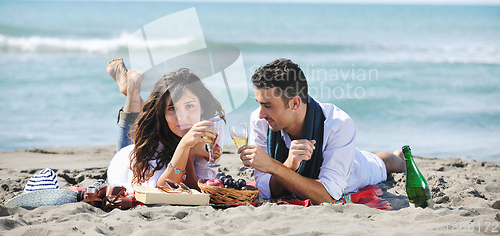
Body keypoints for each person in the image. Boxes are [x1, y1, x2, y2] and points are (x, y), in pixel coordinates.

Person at [238, 58, 405, 205]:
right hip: (337, 156)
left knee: (384, 162)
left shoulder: (338, 124)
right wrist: (289, 165)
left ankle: (400, 158)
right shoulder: (260, 121)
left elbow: (328, 196)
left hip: (357, 169)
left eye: (267, 105)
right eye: (259, 103)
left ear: (295, 103)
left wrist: (274, 166)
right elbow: (266, 191)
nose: (260, 113)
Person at [105, 58, 225, 194]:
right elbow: (163, 189)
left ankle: (132, 90)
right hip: (127, 167)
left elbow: (197, 189)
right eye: (172, 109)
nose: (182, 117)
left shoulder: (212, 127)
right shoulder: (156, 133)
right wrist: (185, 146)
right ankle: (132, 92)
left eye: (189, 106)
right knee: (140, 130)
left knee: (146, 117)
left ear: (202, 107)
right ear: (163, 113)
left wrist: (189, 155)